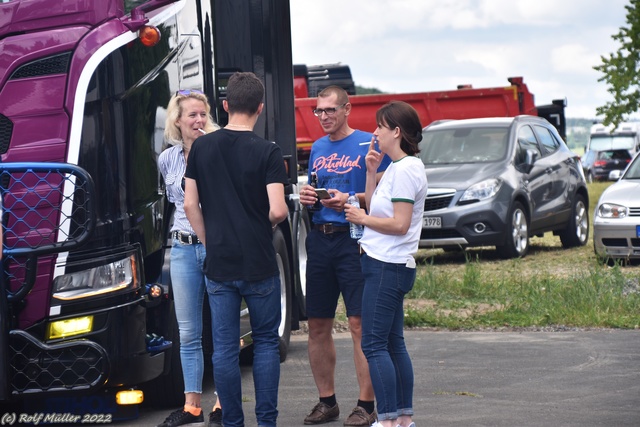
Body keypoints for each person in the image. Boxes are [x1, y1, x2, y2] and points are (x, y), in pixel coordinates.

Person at [184, 72, 289, 427]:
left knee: (225, 349)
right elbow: (277, 209)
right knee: (265, 343)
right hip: (258, 259)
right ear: (260, 107)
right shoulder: (268, 151)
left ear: (225, 106)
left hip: (220, 262)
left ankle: (232, 422)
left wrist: (207, 238)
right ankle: (267, 421)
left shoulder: (201, 147)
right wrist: (264, 227)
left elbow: (189, 205)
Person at [298, 85, 390, 426]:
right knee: (318, 325)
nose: (323, 117)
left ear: (347, 109)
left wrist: (350, 198)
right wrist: (310, 196)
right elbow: (316, 184)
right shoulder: (319, 147)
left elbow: (382, 193)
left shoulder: (370, 142)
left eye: (330, 111)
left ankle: (366, 404)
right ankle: (327, 401)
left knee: (358, 324)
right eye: (318, 111)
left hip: (354, 240)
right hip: (320, 239)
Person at [344, 101, 427, 427]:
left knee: (374, 344)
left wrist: (362, 217)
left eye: (380, 126)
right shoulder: (398, 166)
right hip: (386, 264)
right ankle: (403, 419)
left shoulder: (405, 170)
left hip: (387, 266)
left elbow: (400, 223)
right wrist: (369, 172)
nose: (375, 131)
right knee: (392, 342)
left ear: (397, 131)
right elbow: (378, 206)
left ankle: (390, 420)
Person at [156, 89, 223, 427]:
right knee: (188, 332)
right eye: (192, 115)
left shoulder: (217, 150)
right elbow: (173, 203)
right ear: (177, 121)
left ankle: (222, 402)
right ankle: (192, 405)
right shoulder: (167, 159)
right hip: (182, 248)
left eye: (202, 114)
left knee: (222, 327)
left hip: (215, 246)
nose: (198, 120)